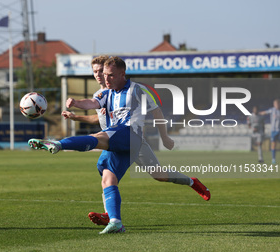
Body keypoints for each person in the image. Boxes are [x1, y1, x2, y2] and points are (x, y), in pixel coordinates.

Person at [28, 56, 210, 234]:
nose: (103, 77)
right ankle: (114, 219)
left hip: (130, 136)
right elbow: (92, 105)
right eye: (99, 73)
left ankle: (58, 144)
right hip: (115, 139)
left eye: (108, 74)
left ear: (122, 74)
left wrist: (165, 137)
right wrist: (76, 105)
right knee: (112, 177)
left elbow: (157, 111)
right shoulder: (105, 93)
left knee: (99, 139)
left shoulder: (138, 90)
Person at [260, 99, 280, 164]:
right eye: (275, 104)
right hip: (273, 131)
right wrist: (258, 113)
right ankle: (273, 159)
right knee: (273, 145)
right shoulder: (272, 110)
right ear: (274, 104)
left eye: (278, 104)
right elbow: (265, 112)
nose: (277, 105)